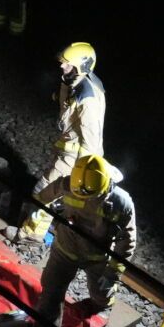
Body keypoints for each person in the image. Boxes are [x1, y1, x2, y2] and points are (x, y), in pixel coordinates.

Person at [20, 155, 137, 327]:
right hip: (65, 250)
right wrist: (34, 207)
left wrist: (112, 272)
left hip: (97, 258)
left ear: (105, 187)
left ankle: (102, 303)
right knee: (51, 296)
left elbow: (127, 241)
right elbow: (44, 195)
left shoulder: (121, 203)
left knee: (100, 294)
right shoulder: (68, 184)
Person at [18, 42, 106, 241]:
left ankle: (31, 234)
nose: (62, 67)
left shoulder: (88, 100)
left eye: (68, 64)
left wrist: (82, 171)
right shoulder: (74, 80)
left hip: (75, 157)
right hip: (68, 151)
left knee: (43, 191)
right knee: (57, 194)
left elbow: (91, 140)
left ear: (82, 66)